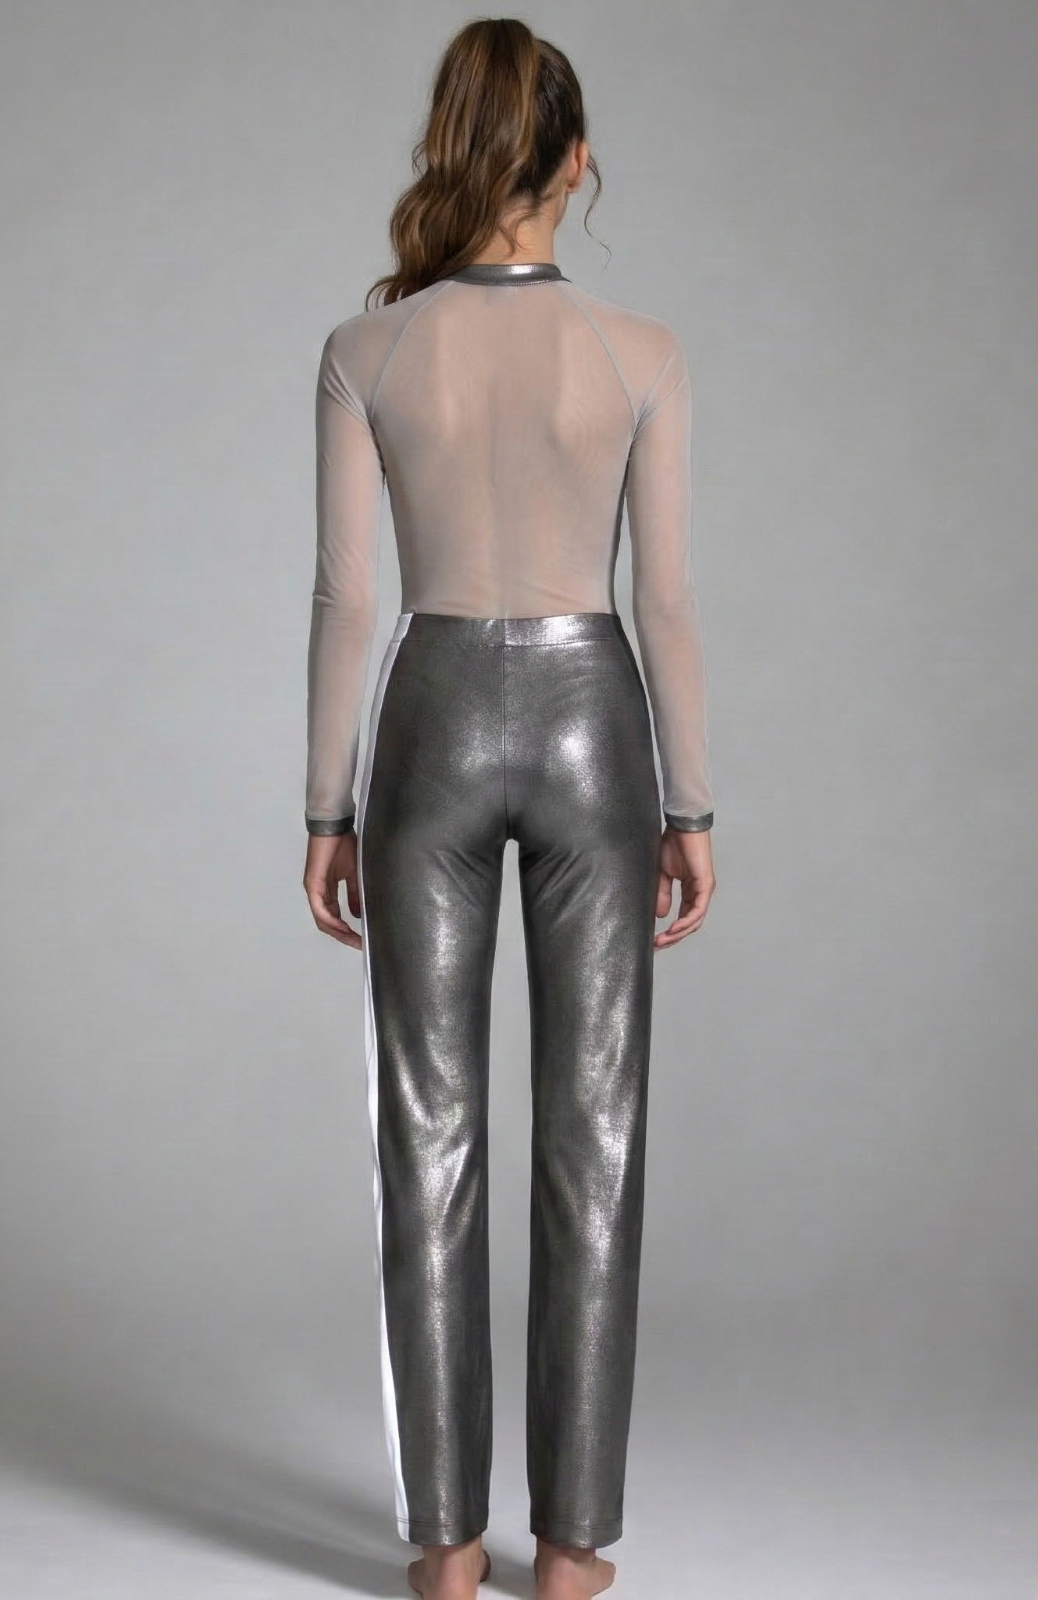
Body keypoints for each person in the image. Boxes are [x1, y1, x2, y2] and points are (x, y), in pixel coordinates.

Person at [300, 19, 715, 1600]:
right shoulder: (642, 352)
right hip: (595, 721)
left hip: (429, 721)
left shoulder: (367, 350)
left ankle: (444, 1549)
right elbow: (663, 600)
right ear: (577, 159)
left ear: (457, 151)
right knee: (593, 1138)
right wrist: (692, 802)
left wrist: (325, 807)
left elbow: (348, 598)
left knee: (428, 1135)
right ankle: (577, 1550)